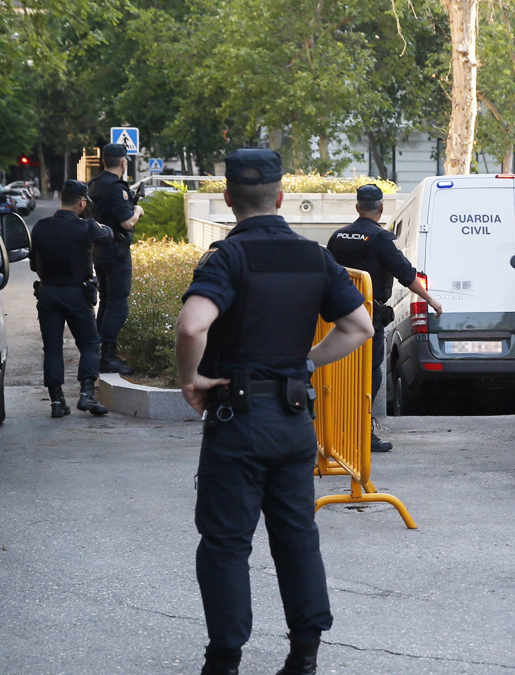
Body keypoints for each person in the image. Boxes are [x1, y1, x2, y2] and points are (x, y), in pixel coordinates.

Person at [175, 149, 374, 675]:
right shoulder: (314, 257)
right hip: (293, 422)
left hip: (237, 423)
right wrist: (304, 364)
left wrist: (189, 379)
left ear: (227, 200)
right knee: (296, 539)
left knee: (225, 544)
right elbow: (360, 328)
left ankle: (225, 661)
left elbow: (192, 326)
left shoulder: (227, 257)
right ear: (281, 198)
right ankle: (303, 657)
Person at [326, 184, 442, 450]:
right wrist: (431, 300)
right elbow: (406, 275)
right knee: (369, 375)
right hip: (368, 319)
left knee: (338, 374)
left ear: (357, 207)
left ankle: (335, 429)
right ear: (380, 208)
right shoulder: (381, 239)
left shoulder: (337, 237)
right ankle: (361, 431)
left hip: (337, 317)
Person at [30, 181, 120, 418]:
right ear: (82, 202)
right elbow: (108, 235)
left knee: (52, 348)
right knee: (90, 343)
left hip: (48, 293)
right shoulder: (87, 227)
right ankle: (87, 394)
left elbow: (32, 264)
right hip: (76, 294)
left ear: (61, 199)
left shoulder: (40, 227)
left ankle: (57, 401)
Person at [88, 142, 144, 375]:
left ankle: (100, 350)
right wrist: (137, 210)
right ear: (123, 163)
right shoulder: (116, 187)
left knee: (107, 300)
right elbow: (126, 222)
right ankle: (108, 355)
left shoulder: (93, 185)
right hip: (117, 251)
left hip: (98, 251)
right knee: (118, 303)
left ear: (103, 161)